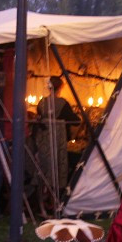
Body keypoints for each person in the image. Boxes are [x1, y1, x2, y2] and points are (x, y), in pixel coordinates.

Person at [34, 76, 79, 207]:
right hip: (57, 141)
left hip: (44, 143)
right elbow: (76, 121)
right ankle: (54, 202)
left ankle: (43, 200)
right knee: (58, 168)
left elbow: (40, 120)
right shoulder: (62, 104)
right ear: (59, 87)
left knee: (46, 168)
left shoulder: (42, 102)